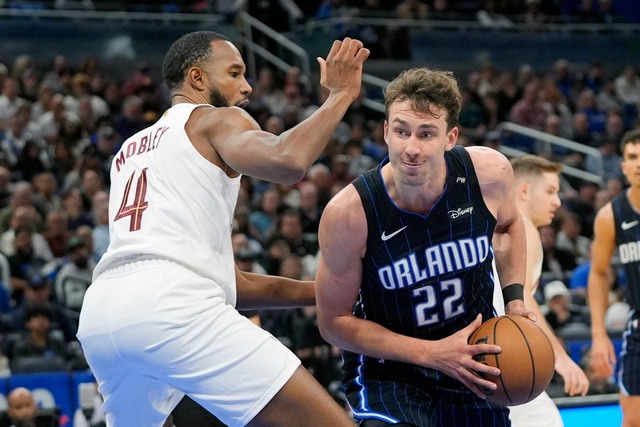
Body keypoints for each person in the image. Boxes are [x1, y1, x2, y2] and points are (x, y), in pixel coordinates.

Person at [76, 31, 369, 426]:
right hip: (170, 305)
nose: (246, 87)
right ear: (197, 79)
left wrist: (326, 293)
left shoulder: (129, 151)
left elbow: (232, 286)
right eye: (235, 73)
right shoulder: (214, 119)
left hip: (102, 314)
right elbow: (289, 159)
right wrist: (340, 95)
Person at [314, 67, 533, 427]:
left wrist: (515, 300)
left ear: (451, 137)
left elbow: (508, 226)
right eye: (401, 131)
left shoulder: (489, 174)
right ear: (385, 132)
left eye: (427, 134)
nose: (411, 149)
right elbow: (333, 323)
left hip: (473, 361)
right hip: (390, 375)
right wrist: (433, 354)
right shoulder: (348, 213)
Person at [493, 155, 589, 427]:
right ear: (524, 191)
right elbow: (521, 304)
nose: (557, 201)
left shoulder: (499, 227)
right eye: (550, 191)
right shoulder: (524, 229)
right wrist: (562, 360)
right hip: (502, 354)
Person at [589, 128, 640, 427]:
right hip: (638, 326)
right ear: (622, 165)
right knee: (632, 420)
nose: (638, 164)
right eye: (632, 157)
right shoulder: (611, 215)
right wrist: (598, 334)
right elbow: (598, 274)